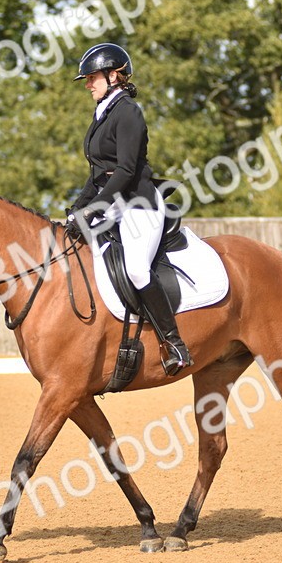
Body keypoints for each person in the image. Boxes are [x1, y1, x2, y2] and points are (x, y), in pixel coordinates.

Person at [66, 43, 192, 375]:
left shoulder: (128, 112)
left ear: (114, 76)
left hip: (139, 206)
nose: (87, 85)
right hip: (114, 205)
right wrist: (78, 208)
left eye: (92, 78)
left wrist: (95, 208)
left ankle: (174, 343)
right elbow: (97, 174)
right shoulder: (102, 114)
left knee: (136, 268)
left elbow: (124, 171)